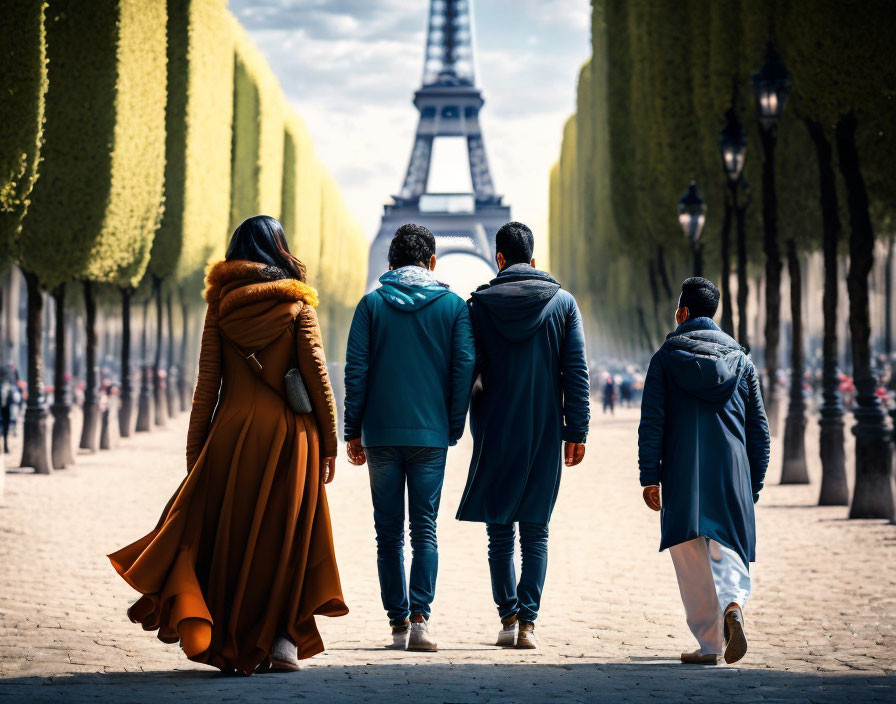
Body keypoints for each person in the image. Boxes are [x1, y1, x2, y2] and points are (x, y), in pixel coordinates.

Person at [109, 216, 348, 675]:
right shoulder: (298, 304)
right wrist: (331, 442)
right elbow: (318, 378)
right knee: (285, 538)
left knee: (232, 539)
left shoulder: (220, 306)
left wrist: (196, 453)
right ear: (280, 250)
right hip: (289, 436)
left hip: (231, 434)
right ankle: (281, 642)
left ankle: (227, 635)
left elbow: (207, 387)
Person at [456, 221, 590, 650]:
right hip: (546, 429)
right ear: (533, 260)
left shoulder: (476, 306)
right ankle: (529, 623)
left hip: (495, 428)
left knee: (499, 531)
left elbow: (465, 368)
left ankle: (508, 616)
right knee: (536, 530)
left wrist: (457, 420)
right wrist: (578, 429)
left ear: (498, 259)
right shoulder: (564, 303)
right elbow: (577, 373)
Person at [344, 223, 475, 652]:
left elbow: (356, 372)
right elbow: (463, 370)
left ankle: (396, 623)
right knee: (425, 530)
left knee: (387, 534)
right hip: (430, 432)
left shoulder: (370, 306)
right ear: (432, 262)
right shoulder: (455, 307)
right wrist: (452, 424)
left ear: (389, 262)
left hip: (380, 432)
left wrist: (353, 429)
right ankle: (420, 620)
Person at [638, 277, 769, 666]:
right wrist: (753, 483)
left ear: (682, 313)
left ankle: (710, 643)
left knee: (690, 554)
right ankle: (733, 604)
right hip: (732, 469)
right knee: (727, 545)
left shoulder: (664, 359)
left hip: (681, 469)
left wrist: (650, 476)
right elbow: (758, 431)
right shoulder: (742, 362)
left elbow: (652, 423)